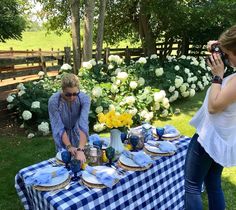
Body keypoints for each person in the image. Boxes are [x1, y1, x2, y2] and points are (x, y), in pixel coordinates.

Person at [184, 25, 236, 210]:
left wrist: (217, 76)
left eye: (228, 54)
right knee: (213, 183)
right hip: (221, 137)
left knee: (192, 186)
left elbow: (214, 107)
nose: (226, 58)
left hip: (209, 137)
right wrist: (219, 46)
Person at [48, 73, 91, 164]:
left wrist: (80, 149)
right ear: (62, 90)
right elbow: (58, 127)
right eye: (68, 94)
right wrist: (68, 146)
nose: (72, 97)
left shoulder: (84, 99)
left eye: (75, 94)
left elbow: (83, 124)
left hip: (77, 132)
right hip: (62, 135)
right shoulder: (54, 101)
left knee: (80, 161)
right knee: (64, 162)